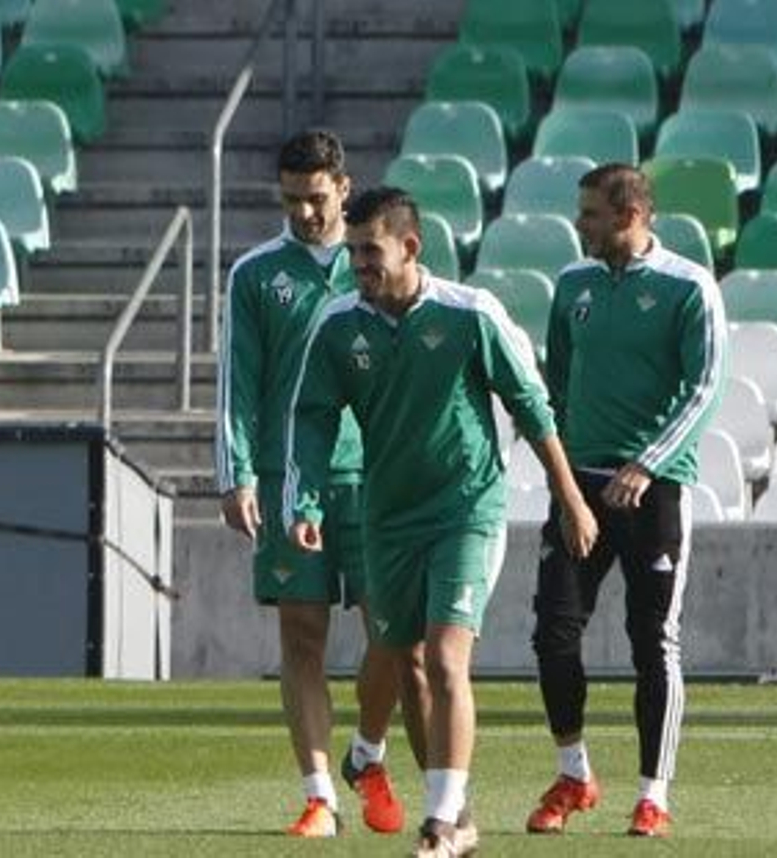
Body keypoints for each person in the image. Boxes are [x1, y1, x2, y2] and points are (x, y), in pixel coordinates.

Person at [285, 187, 598, 857]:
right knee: (411, 666)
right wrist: (306, 500)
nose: (358, 265)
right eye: (352, 253)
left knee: (448, 658)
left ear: (409, 247)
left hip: (466, 510)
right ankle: (456, 818)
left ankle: (438, 818)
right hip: (386, 517)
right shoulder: (340, 325)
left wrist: (569, 497)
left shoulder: (469, 314)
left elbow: (531, 407)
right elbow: (310, 419)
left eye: (369, 252)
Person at [215, 130, 418, 838]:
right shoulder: (255, 275)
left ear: (343, 184)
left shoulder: (378, 260)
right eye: (291, 199)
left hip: (376, 474)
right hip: (285, 475)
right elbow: (236, 384)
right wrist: (235, 472)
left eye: (315, 197)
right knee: (300, 636)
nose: (303, 211)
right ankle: (319, 794)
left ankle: (369, 751)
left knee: (392, 634)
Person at [525, 164, 727, 839]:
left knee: (653, 640)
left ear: (630, 214)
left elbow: (704, 388)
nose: (578, 225)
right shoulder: (572, 285)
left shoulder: (687, 286)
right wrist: (561, 474)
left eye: (589, 214)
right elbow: (554, 381)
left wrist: (649, 462)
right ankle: (574, 772)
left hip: (655, 488)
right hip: (581, 484)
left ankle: (653, 793)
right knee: (552, 630)